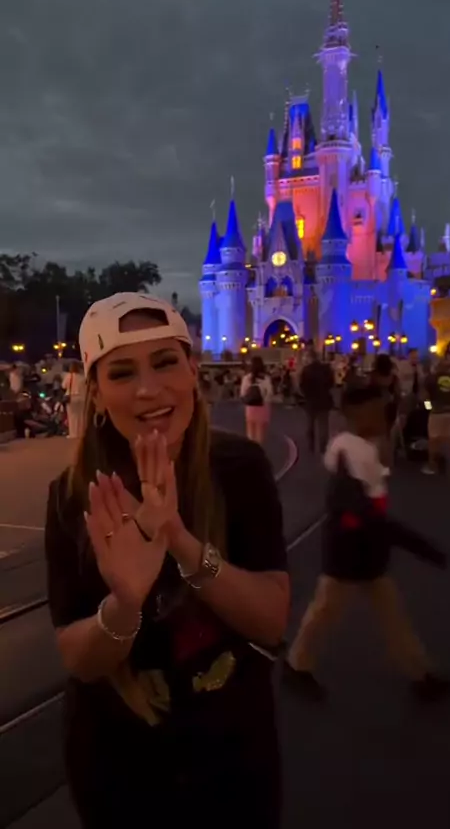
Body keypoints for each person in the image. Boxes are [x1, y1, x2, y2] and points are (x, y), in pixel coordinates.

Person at [44, 293, 289, 828]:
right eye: (122, 372)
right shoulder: (73, 495)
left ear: (192, 370)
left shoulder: (238, 468)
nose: (149, 389)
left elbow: (271, 620)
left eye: (164, 363)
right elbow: (80, 660)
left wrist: (179, 539)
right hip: (121, 766)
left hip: (233, 756)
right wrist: (124, 603)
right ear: (97, 393)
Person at [283, 385, 450, 704]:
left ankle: (421, 673)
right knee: (327, 611)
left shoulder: (351, 447)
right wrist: (422, 547)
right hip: (350, 552)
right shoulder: (354, 453)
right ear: (356, 414)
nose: (381, 416)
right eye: (375, 410)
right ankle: (296, 665)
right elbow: (369, 514)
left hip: (361, 549)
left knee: (386, 613)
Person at [423, 348, 450, 478]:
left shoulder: (431, 378)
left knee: (433, 440)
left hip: (437, 411)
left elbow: (425, 396)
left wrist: (429, 408)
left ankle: (432, 466)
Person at [299, 350, 333, 453]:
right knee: (323, 425)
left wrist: (305, 394)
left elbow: (302, 385)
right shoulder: (326, 369)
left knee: (310, 424)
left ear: (310, 358)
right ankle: (323, 447)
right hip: (324, 399)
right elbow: (331, 383)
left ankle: (311, 445)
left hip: (311, 400)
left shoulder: (306, 370)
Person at [240, 355, 273, 445]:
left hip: (250, 408)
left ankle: (251, 451)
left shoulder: (247, 378)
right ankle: (258, 450)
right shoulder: (265, 378)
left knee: (250, 434)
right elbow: (269, 393)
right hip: (262, 407)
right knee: (260, 436)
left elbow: (242, 393)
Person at [62, 361, 86, 439]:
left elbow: (64, 386)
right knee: (81, 416)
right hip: (82, 397)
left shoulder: (69, 376)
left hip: (72, 397)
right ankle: (81, 433)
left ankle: (73, 434)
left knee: (72, 416)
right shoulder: (83, 377)